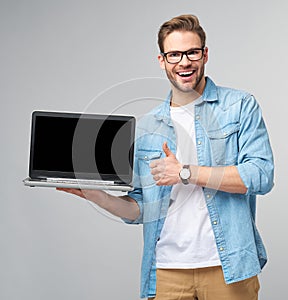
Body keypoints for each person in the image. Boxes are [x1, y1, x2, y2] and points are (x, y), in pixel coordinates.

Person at [58, 14, 274, 300]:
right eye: (174, 54)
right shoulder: (147, 126)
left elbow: (260, 175)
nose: (184, 62)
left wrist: (185, 172)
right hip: (165, 271)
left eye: (192, 52)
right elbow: (140, 210)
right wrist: (98, 197)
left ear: (205, 54)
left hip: (227, 266)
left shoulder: (239, 107)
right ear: (162, 60)